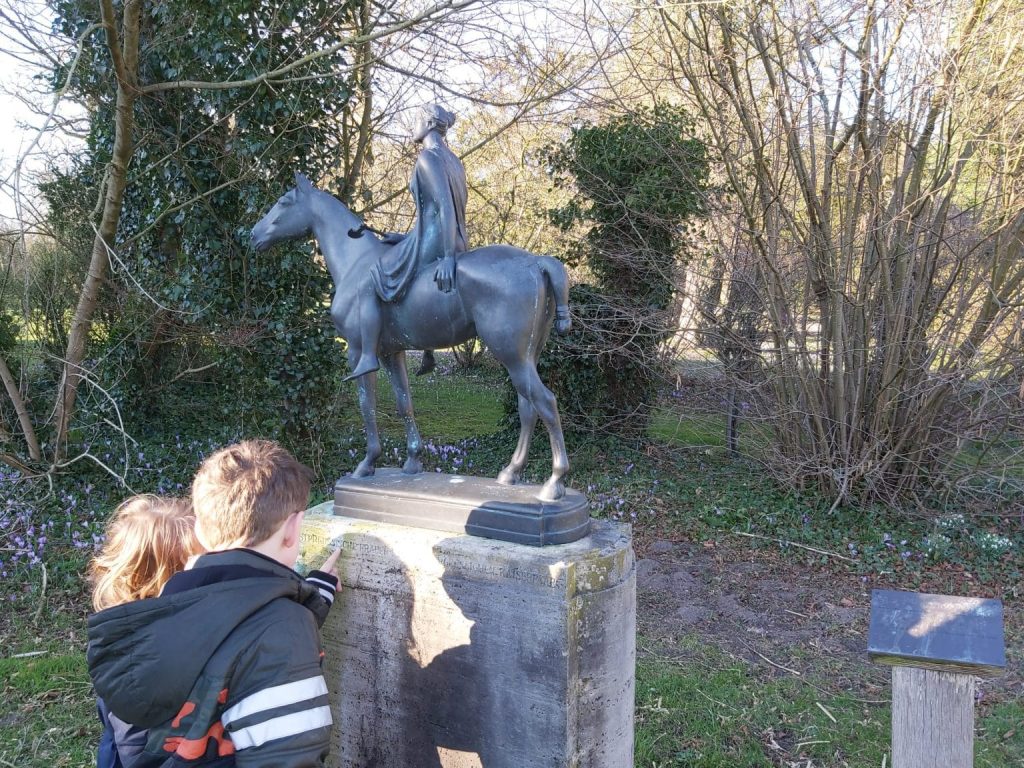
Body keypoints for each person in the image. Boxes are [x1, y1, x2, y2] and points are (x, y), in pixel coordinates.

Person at [87, 440, 341, 767]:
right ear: (293, 529)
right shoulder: (284, 631)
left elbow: (225, 643)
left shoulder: (164, 606)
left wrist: (304, 608)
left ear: (201, 533)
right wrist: (293, 621)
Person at [345, 103, 468, 380]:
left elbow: (445, 207)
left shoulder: (428, 158)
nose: (412, 126)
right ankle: (426, 348)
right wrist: (404, 238)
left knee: (372, 278)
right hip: (452, 238)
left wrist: (447, 256)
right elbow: (435, 214)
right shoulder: (453, 160)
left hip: (439, 243)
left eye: (415, 120)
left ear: (427, 123)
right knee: (394, 263)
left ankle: (367, 356)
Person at [90, 496, 204, 768]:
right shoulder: (135, 656)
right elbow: (137, 751)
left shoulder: (128, 627)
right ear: (166, 580)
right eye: (201, 565)